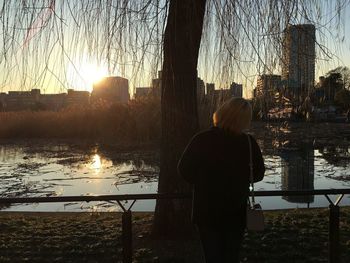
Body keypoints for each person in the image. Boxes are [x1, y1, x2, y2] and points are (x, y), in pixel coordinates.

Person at [178, 97, 265, 263]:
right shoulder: (248, 143)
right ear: (244, 120)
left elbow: (183, 169)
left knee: (212, 257)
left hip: (206, 210)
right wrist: (238, 179)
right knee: (231, 256)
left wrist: (203, 182)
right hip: (236, 211)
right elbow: (259, 174)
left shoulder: (201, 139)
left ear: (222, 113)